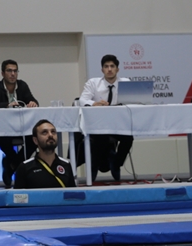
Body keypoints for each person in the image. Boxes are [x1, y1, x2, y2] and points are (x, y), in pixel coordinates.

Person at [77, 54, 133, 182]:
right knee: (99, 139)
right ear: (102, 69)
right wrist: (94, 103)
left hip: (119, 125)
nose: (109, 69)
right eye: (106, 66)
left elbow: (134, 101)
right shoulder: (93, 83)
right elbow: (82, 100)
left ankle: (116, 163)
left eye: (112, 66)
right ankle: (95, 167)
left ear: (117, 69)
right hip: (99, 126)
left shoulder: (125, 83)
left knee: (129, 138)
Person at [0, 59, 39, 188]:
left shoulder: (22, 85)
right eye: (9, 71)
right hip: (2, 129)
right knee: (2, 137)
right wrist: (7, 105)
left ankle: (11, 165)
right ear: (2, 73)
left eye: (15, 71)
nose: (13, 74)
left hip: (20, 128)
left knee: (35, 139)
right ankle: (17, 166)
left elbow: (33, 100)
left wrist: (32, 103)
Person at [14, 120, 74, 189]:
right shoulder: (25, 167)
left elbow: (72, 197)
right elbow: (18, 198)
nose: (50, 135)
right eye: (44, 132)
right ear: (35, 140)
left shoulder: (66, 165)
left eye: (53, 132)